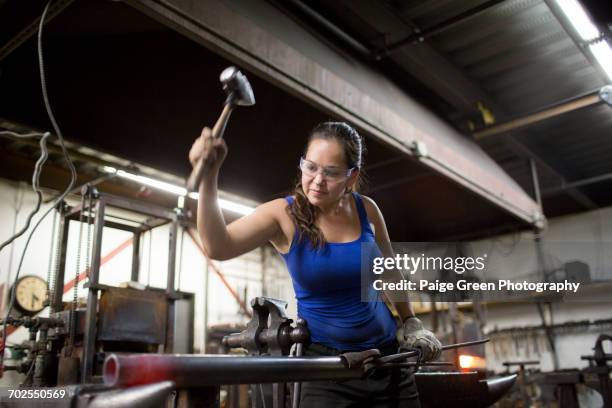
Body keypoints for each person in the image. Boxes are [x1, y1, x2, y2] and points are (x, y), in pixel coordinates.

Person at [189, 121, 441, 407]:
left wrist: (411, 322)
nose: (318, 180)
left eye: (331, 172)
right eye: (311, 167)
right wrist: (209, 177)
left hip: (388, 361)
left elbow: (390, 274)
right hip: (328, 369)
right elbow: (217, 246)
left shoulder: (367, 209)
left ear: (351, 176)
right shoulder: (283, 215)